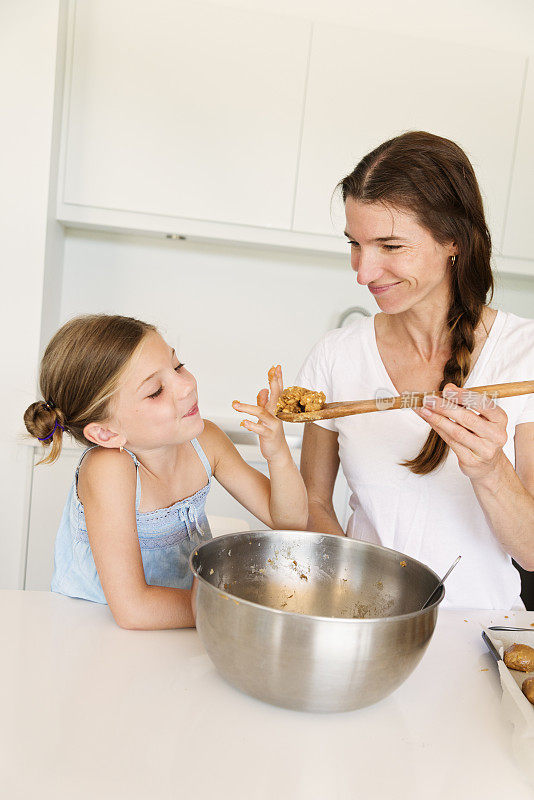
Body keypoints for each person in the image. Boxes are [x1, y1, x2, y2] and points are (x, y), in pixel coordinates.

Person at [297, 131, 534, 609]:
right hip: (364, 623)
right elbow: (313, 505)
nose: (363, 273)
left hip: (477, 640)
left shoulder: (523, 352)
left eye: (389, 245)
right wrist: (351, 598)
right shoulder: (335, 355)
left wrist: (490, 469)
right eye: (355, 245)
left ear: (453, 241)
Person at [24, 314, 307, 629]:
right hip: (93, 635)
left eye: (177, 366)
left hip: (183, 627)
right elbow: (134, 609)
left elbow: (289, 521)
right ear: (106, 434)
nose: (186, 385)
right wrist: (243, 609)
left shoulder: (205, 441)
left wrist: (278, 454)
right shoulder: (109, 469)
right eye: (156, 390)